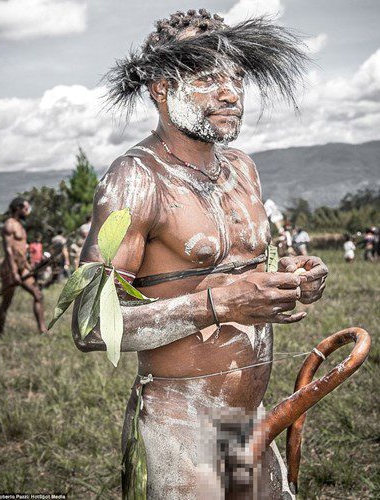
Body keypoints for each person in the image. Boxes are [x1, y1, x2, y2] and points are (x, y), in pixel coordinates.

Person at [72, 10, 328, 498]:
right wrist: (218, 304)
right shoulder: (135, 179)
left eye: (237, 78)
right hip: (180, 424)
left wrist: (295, 276)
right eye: (209, 78)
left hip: (250, 420)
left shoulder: (244, 169)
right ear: (162, 88)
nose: (231, 94)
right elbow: (87, 324)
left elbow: (244, 271)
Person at [0, 197, 46, 335]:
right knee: (6, 302)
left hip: (22, 267)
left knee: (38, 294)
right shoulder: (9, 225)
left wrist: (28, 266)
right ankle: (0, 333)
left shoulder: (20, 226)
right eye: (25, 208)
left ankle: (42, 329)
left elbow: (21, 250)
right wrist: (14, 272)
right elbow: (8, 250)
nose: (27, 210)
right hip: (9, 268)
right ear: (17, 208)